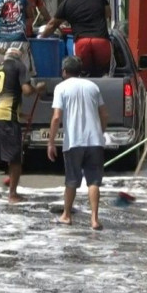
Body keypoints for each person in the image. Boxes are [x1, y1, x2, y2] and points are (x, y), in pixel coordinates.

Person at [47, 56, 108, 229]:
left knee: (72, 181)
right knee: (94, 181)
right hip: (94, 141)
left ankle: (66, 215)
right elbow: (104, 114)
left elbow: (57, 117)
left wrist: (51, 142)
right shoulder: (93, 86)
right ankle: (94, 220)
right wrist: (100, 132)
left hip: (74, 142)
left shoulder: (61, 88)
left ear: (64, 71)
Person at [0, 47, 44, 203]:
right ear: (19, 57)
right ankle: (13, 195)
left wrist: (20, 114)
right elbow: (26, 90)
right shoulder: (19, 66)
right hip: (6, 117)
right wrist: (37, 89)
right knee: (14, 157)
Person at [40, 0, 112, 77]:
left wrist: (41, 37)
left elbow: (52, 25)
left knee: (82, 73)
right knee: (104, 73)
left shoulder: (67, 2)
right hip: (101, 40)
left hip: (82, 42)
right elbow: (108, 13)